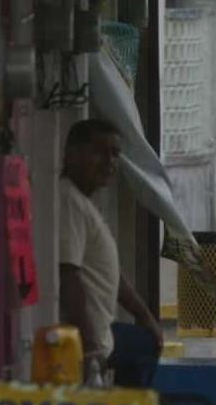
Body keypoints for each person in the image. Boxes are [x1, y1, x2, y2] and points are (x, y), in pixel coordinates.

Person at [58, 119, 164, 388]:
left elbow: (113, 276)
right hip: (92, 339)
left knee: (146, 341)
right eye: (99, 152)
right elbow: (68, 273)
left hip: (101, 334)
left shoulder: (84, 203)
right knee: (144, 347)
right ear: (72, 153)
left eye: (115, 154)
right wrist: (90, 346)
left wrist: (145, 315)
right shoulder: (68, 200)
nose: (109, 162)